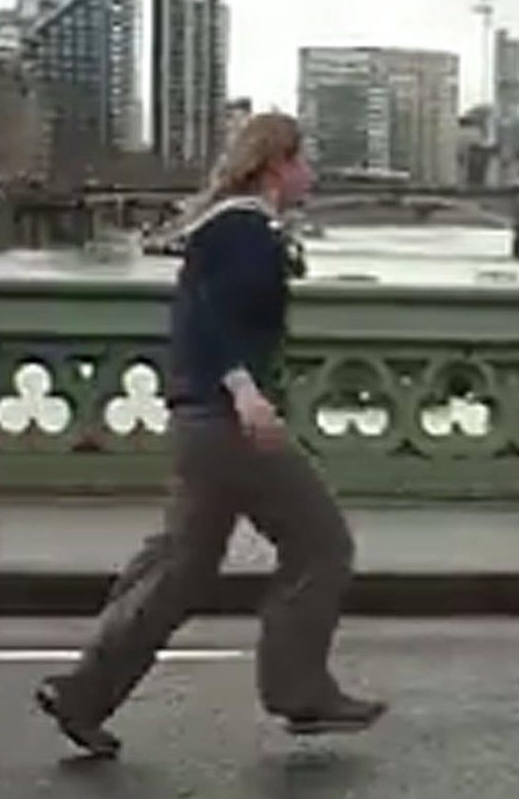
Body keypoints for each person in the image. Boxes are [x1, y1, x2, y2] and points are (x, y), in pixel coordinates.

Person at [35, 112, 384, 759]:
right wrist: (244, 388)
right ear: (277, 165)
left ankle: (84, 693)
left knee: (182, 567)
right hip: (228, 422)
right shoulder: (243, 231)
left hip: (199, 417)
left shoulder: (224, 227)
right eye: (305, 161)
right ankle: (299, 689)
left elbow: (203, 315)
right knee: (320, 543)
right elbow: (214, 320)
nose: (311, 174)